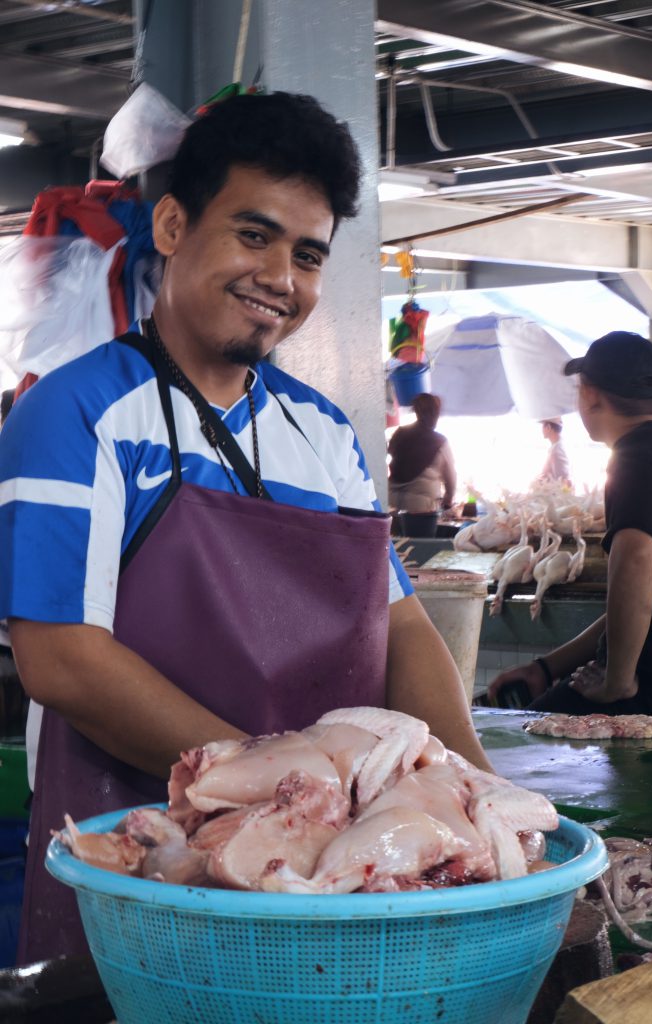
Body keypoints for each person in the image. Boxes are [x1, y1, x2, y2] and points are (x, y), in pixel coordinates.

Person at [0, 91, 492, 964]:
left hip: (321, 867)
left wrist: (475, 796)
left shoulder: (324, 432)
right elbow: (63, 657)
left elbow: (404, 626)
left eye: (307, 255)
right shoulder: (76, 413)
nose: (281, 279)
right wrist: (275, 790)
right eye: (253, 234)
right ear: (172, 225)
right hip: (143, 853)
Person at [488, 330, 652, 722]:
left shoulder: (634, 456)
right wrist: (545, 669)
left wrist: (618, 680)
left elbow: (634, 564)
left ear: (589, 394)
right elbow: (643, 601)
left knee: (512, 744)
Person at [387, 393, 456, 533]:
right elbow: (450, 477)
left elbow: (391, 455)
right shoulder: (439, 442)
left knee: (397, 549)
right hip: (422, 510)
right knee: (419, 550)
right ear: (435, 414)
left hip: (393, 503)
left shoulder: (399, 433)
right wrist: (448, 500)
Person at [537, 417, 571, 485]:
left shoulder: (557, 450)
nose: (541, 430)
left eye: (543, 426)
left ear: (549, 427)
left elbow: (561, 481)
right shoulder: (557, 446)